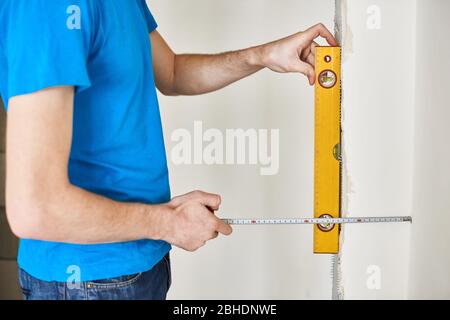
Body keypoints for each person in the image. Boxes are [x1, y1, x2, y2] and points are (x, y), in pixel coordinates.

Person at [0, 0, 337, 300]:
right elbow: (35, 208)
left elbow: (173, 71)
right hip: (86, 281)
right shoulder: (43, 7)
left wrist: (262, 56)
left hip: (142, 262)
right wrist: (168, 224)